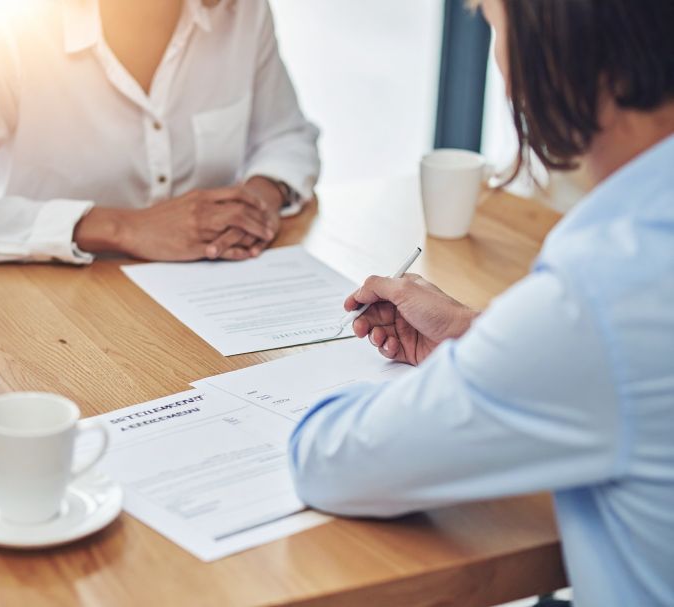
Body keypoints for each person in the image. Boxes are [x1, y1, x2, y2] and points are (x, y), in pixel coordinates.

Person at [288, 1, 674, 605]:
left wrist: (448, 387)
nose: (498, 59)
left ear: (560, 39)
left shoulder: (605, 288)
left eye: (495, 23)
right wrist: (481, 336)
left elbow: (332, 461)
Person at [0, 0, 319, 264]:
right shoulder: (10, 30)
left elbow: (286, 135)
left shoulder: (242, 11)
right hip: (52, 311)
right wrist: (124, 228)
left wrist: (258, 200)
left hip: (216, 297)